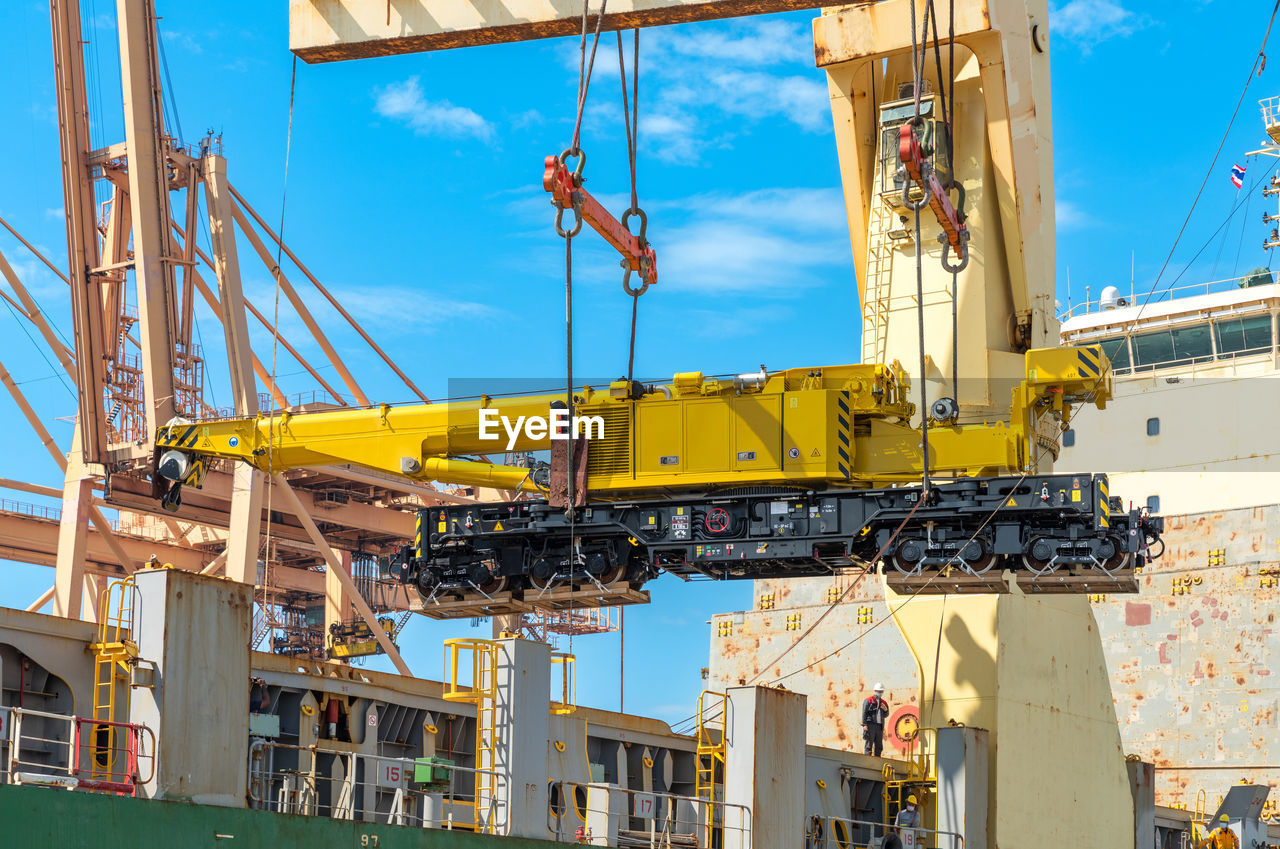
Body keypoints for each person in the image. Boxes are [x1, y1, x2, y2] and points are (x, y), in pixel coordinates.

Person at [861, 683, 890, 756]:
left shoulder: (884, 703)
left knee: (879, 745)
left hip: (879, 727)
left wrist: (885, 710)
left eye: (881, 691)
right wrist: (864, 725)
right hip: (870, 725)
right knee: (869, 745)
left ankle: (877, 761)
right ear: (875, 691)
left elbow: (886, 715)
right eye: (879, 691)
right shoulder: (868, 700)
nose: (880, 693)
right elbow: (864, 713)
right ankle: (867, 760)